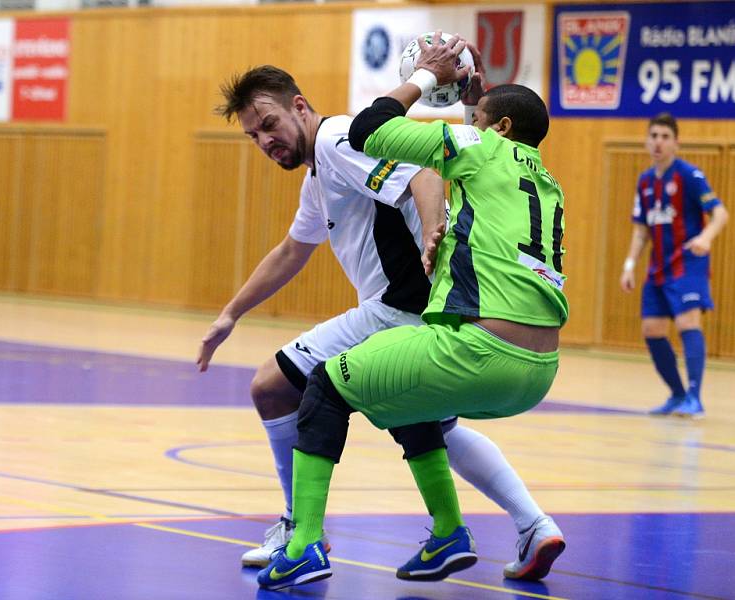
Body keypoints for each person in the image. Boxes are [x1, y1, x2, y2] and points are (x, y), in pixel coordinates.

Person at [197, 64, 564, 583]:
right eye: (253, 135)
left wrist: (435, 229)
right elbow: (292, 250)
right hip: (510, 343)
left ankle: (301, 532)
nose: (264, 140)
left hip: (400, 304)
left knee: (279, 387)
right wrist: (231, 312)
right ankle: (516, 524)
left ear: (299, 106)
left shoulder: (336, 140)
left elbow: (424, 172)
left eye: (268, 123)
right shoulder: (320, 170)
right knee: (421, 416)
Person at [620, 113, 728, 418]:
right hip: (658, 269)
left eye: (665, 137)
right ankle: (678, 395)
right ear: (646, 140)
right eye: (653, 135)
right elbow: (641, 230)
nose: (658, 142)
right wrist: (629, 265)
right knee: (652, 329)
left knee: (687, 323)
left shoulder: (690, 176)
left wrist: (706, 237)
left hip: (688, 265)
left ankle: (695, 397)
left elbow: (720, 214)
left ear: (676, 143)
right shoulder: (644, 182)